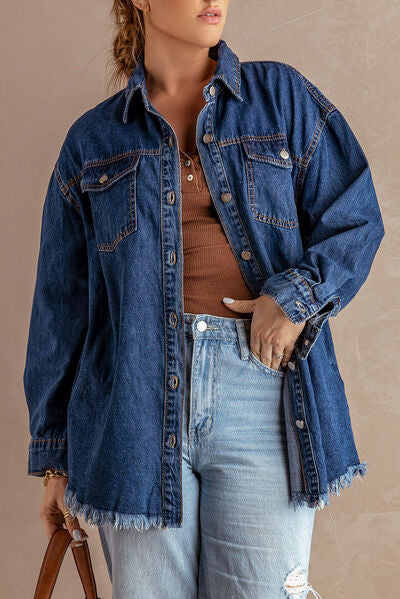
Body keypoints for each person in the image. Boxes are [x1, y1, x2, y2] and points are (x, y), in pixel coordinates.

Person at [23, 1, 385, 597]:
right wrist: (55, 460)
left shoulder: (280, 98)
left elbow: (355, 217)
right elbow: (62, 308)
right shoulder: (92, 140)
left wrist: (293, 300)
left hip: (261, 388)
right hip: (131, 411)